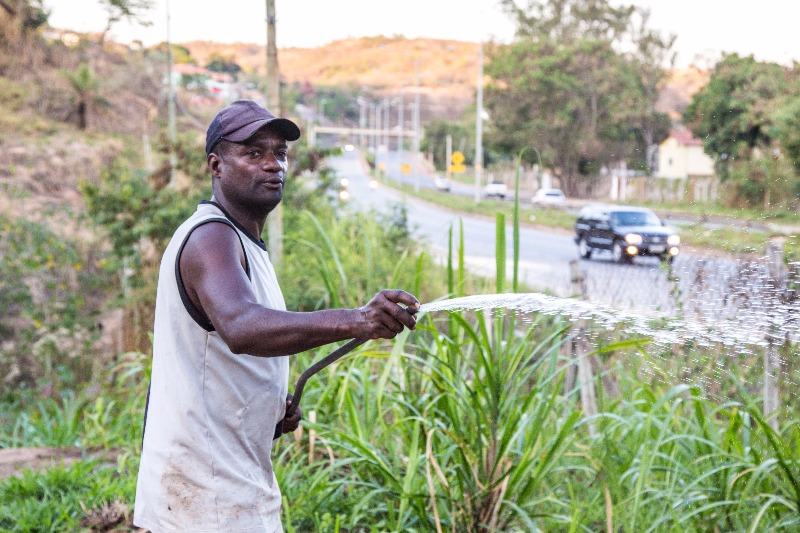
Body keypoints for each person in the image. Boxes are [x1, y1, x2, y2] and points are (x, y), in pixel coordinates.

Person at [133, 99, 419, 532]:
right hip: (203, 499)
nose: (273, 165)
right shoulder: (210, 238)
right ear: (216, 165)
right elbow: (242, 327)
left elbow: (217, 356)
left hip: (225, 487)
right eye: (254, 153)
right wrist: (357, 320)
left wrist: (264, 408)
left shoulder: (242, 244)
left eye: (280, 154)